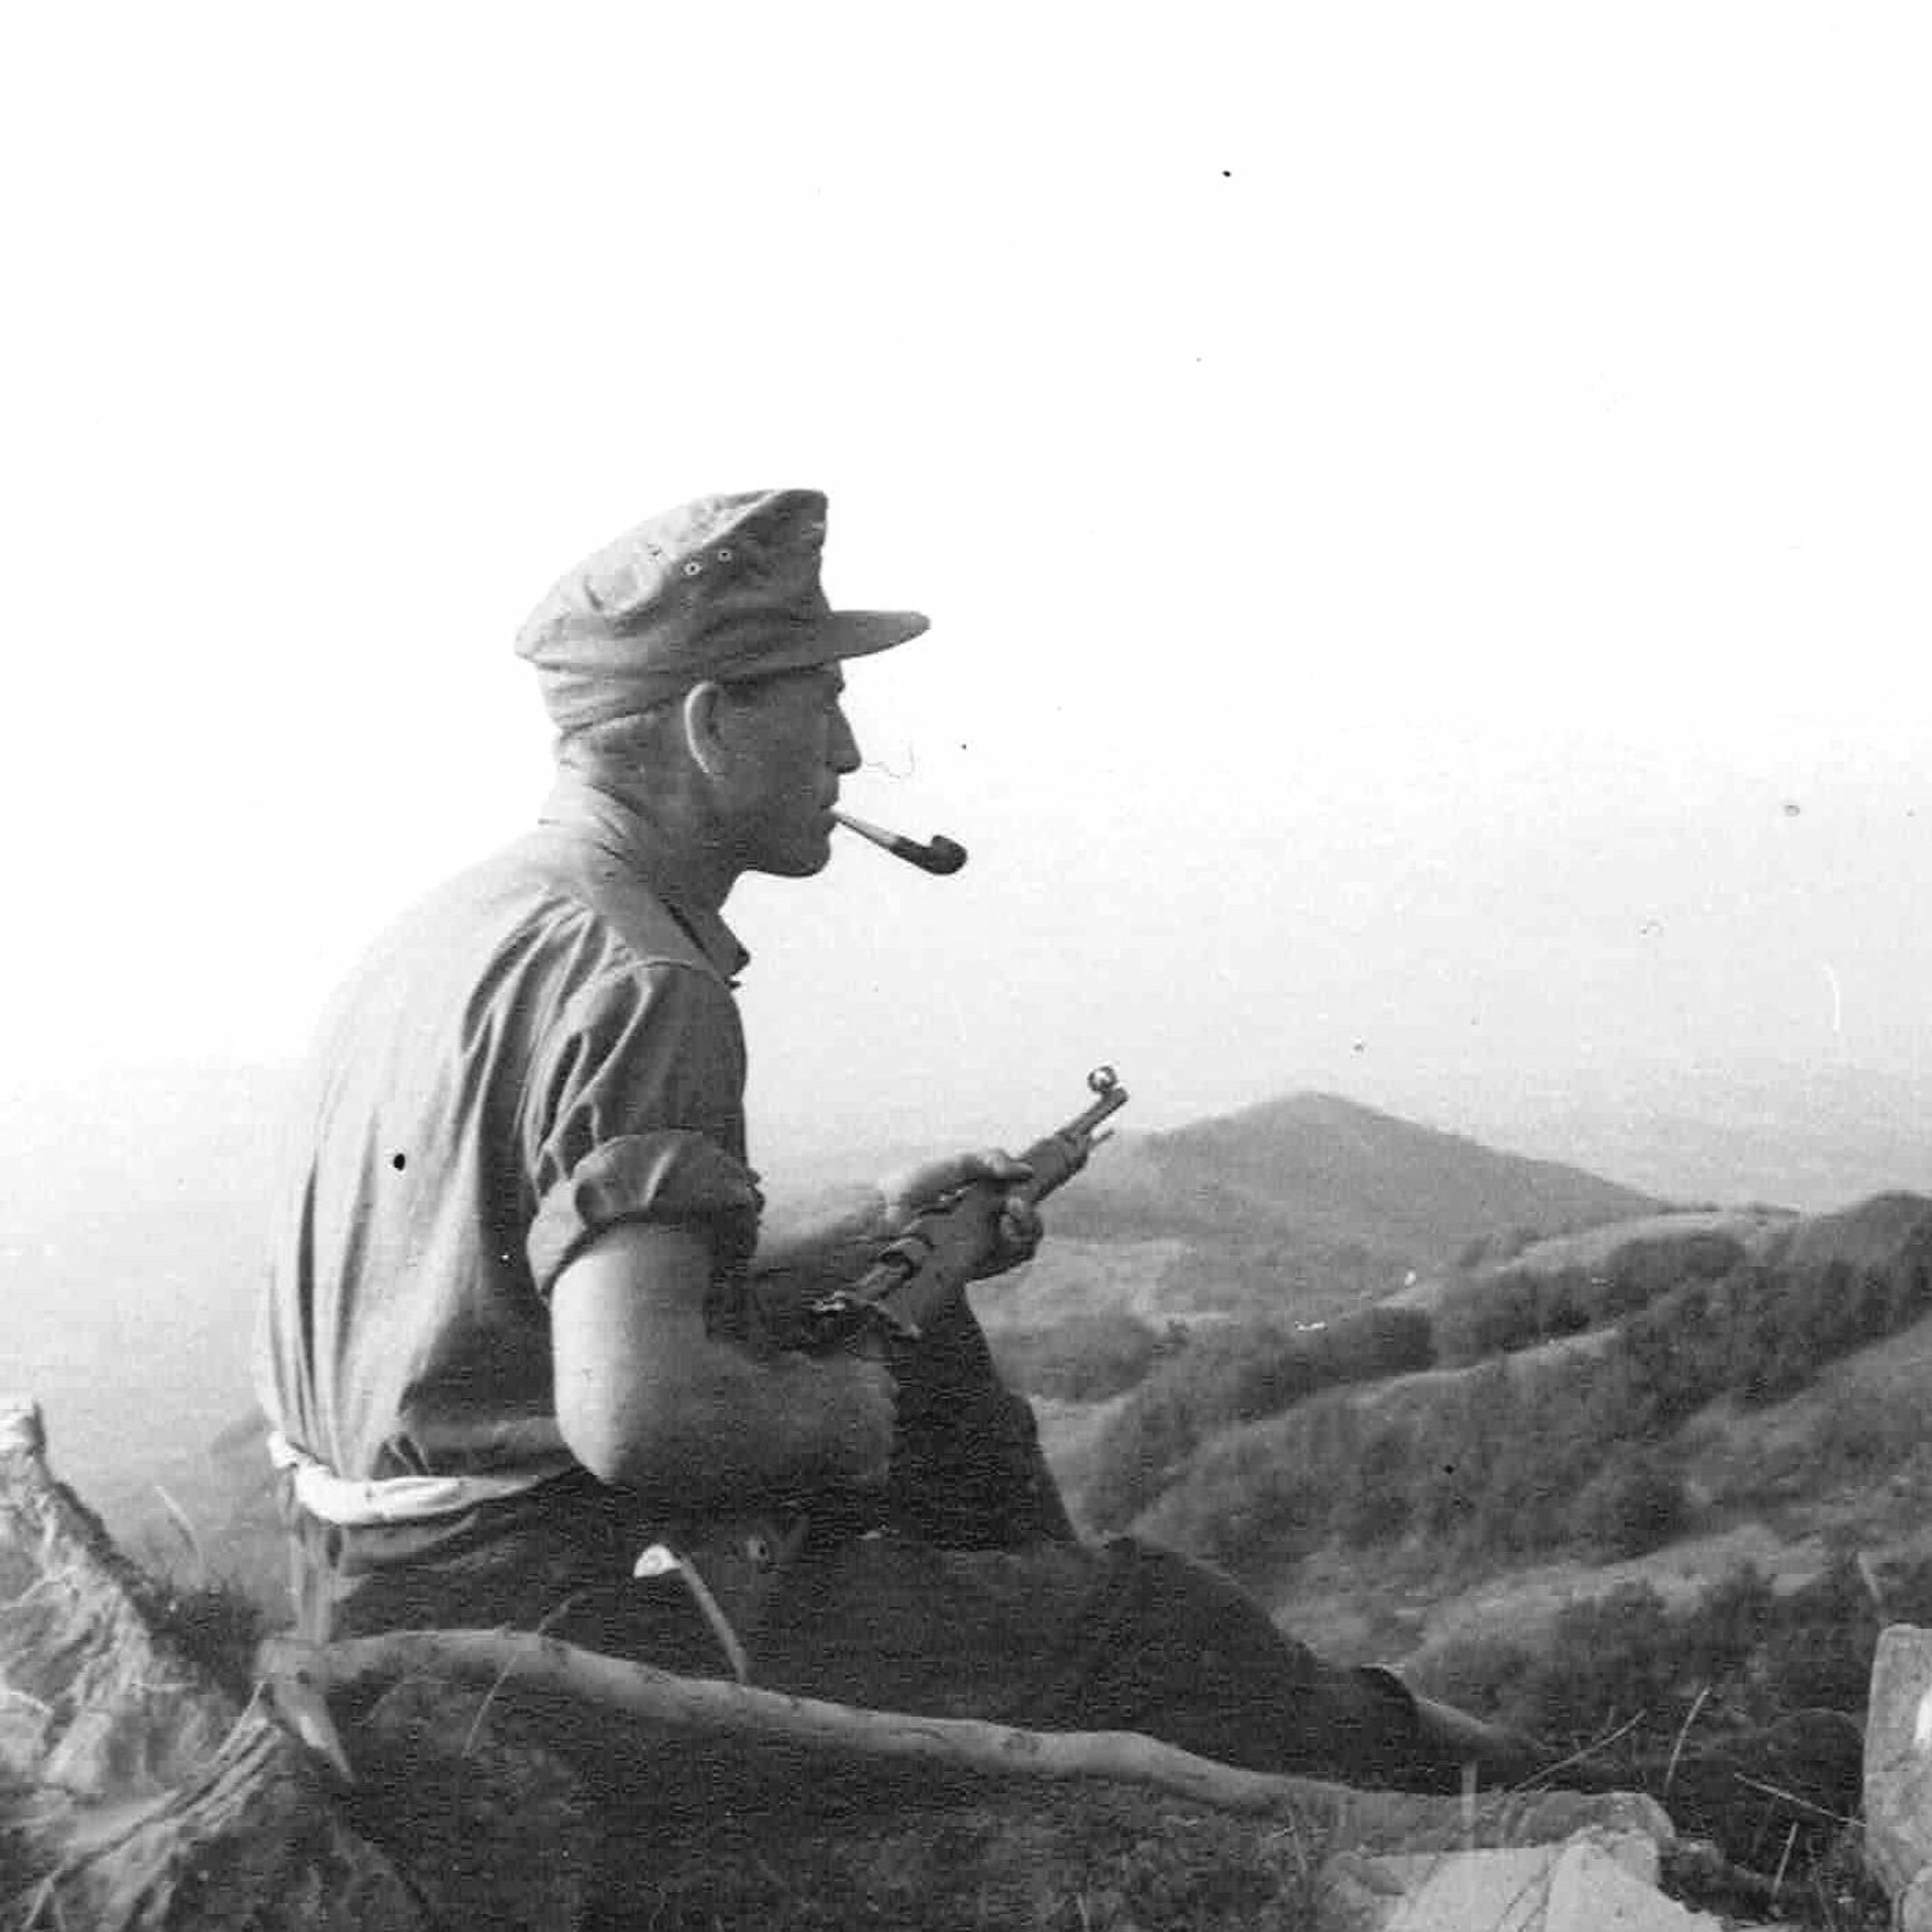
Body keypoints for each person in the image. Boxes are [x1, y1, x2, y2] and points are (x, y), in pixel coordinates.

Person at [254, 487, 1540, 1793]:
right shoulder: (647, 981)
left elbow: (511, 1307)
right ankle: (1514, 1791)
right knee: (1164, 1629)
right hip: (536, 1631)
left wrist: (875, 1226)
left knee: (927, 1349)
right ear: (709, 724)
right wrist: (829, 1416)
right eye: (820, 705)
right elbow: (640, 1420)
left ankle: (1028, 1641)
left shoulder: (472, 922)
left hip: (366, 1584)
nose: (850, 752)